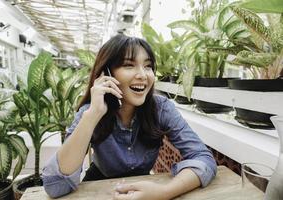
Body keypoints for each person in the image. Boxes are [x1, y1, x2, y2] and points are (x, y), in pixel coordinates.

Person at [42, 34, 217, 199]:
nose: (142, 75)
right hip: (99, 186)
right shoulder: (90, 111)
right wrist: (93, 115)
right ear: (107, 74)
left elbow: (204, 159)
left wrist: (164, 192)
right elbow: (55, 185)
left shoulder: (161, 108)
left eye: (148, 66)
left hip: (144, 187)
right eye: (129, 65)